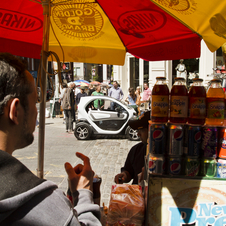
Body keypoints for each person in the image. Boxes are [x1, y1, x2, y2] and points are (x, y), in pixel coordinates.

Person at [0, 52, 101, 225]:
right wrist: (83, 193)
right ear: (15, 111)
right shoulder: (43, 205)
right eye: (35, 101)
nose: (37, 110)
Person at [114, 111, 150, 184]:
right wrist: (124, 175)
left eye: (142, 130)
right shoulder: (136, 149)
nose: (138, 134)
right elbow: (129, 172)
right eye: (138, 130)